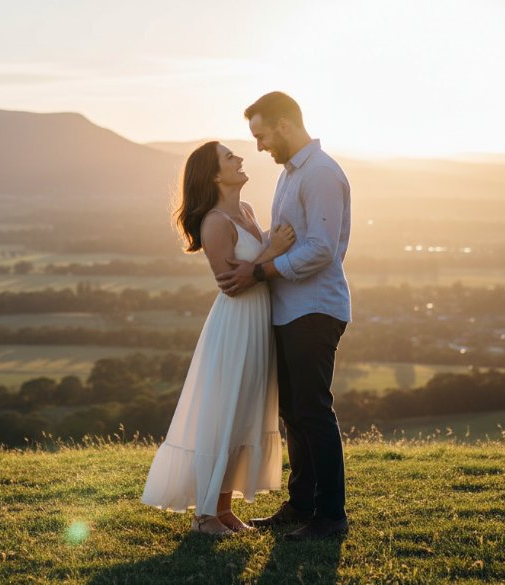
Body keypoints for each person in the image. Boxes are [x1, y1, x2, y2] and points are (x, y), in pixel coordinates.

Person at [141, 140, 296, 536]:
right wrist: (273, 250)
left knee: (243, 414)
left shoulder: (245, 211)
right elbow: (231, 284)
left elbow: (252, 270)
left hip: (258, 323)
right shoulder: (214, 222)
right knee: (224, 414)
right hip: (235, 325)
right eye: (230, 157)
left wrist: (269, 254)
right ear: (214, 175)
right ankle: (203, 516)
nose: (240, 158)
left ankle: (223, 510)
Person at [216, 91, 352, 540]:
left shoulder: (321, 174)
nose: (258, 147)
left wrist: (259, 270)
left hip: (315, 308)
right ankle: (301, 505)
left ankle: (330, 517)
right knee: (294, 412)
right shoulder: (290, 176)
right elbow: (283, 237)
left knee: (313, 411)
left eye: (261, 135)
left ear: (285, 126)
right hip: (289, 309)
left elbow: (319, 250)